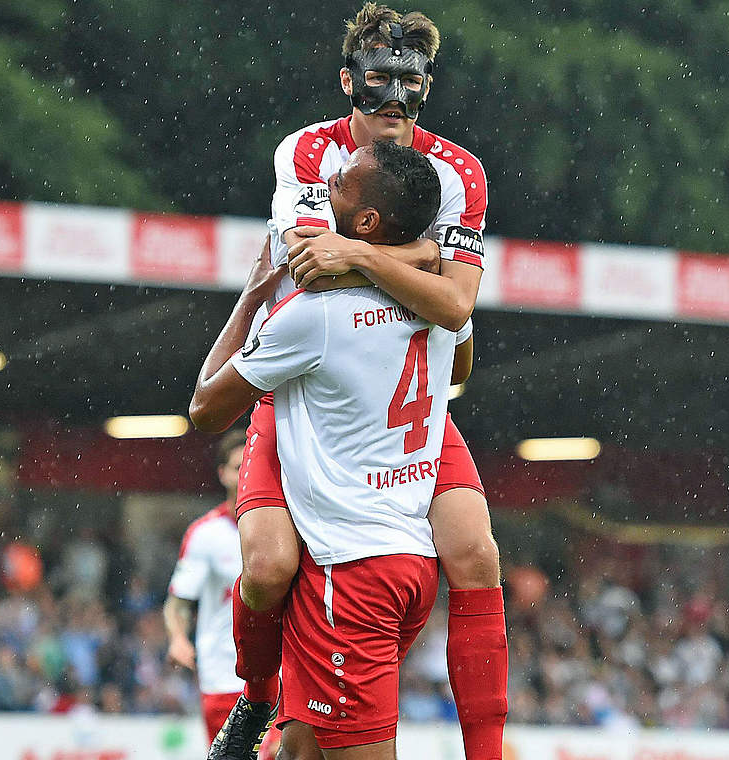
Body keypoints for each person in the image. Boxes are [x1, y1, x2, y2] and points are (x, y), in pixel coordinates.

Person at [203, 5, 506, 759]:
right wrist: (420, 264)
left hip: (408, 397)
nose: (397, 103)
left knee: (475, 554)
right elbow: (313, 261)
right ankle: (255, 698)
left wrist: (365, 258)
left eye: (414, 85)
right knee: (269, 569)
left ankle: (488, 752)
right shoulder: (310, 153)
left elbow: (455, 302)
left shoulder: (459, 169)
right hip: (311, 383)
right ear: (348, 82)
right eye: (380, 83)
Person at [192, 140, 464, 759]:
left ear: (365, 224)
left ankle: (254, 696)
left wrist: (250, 299)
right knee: (299, 754)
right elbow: (461, 357)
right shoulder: (440, 302)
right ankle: (259, 705)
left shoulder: (315, 314)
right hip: (410, 563)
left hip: (351, 572)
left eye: (342, 183)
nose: (327, 182)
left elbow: (207, 408)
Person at [164, 431, 281, 756]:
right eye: (237, 466)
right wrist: (177, 638)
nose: (245, 472)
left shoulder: (283, 528)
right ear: (222, 474)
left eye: (251, 464)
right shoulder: (205, 534)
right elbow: (179, 601)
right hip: (224, 676)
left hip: (279, 674)